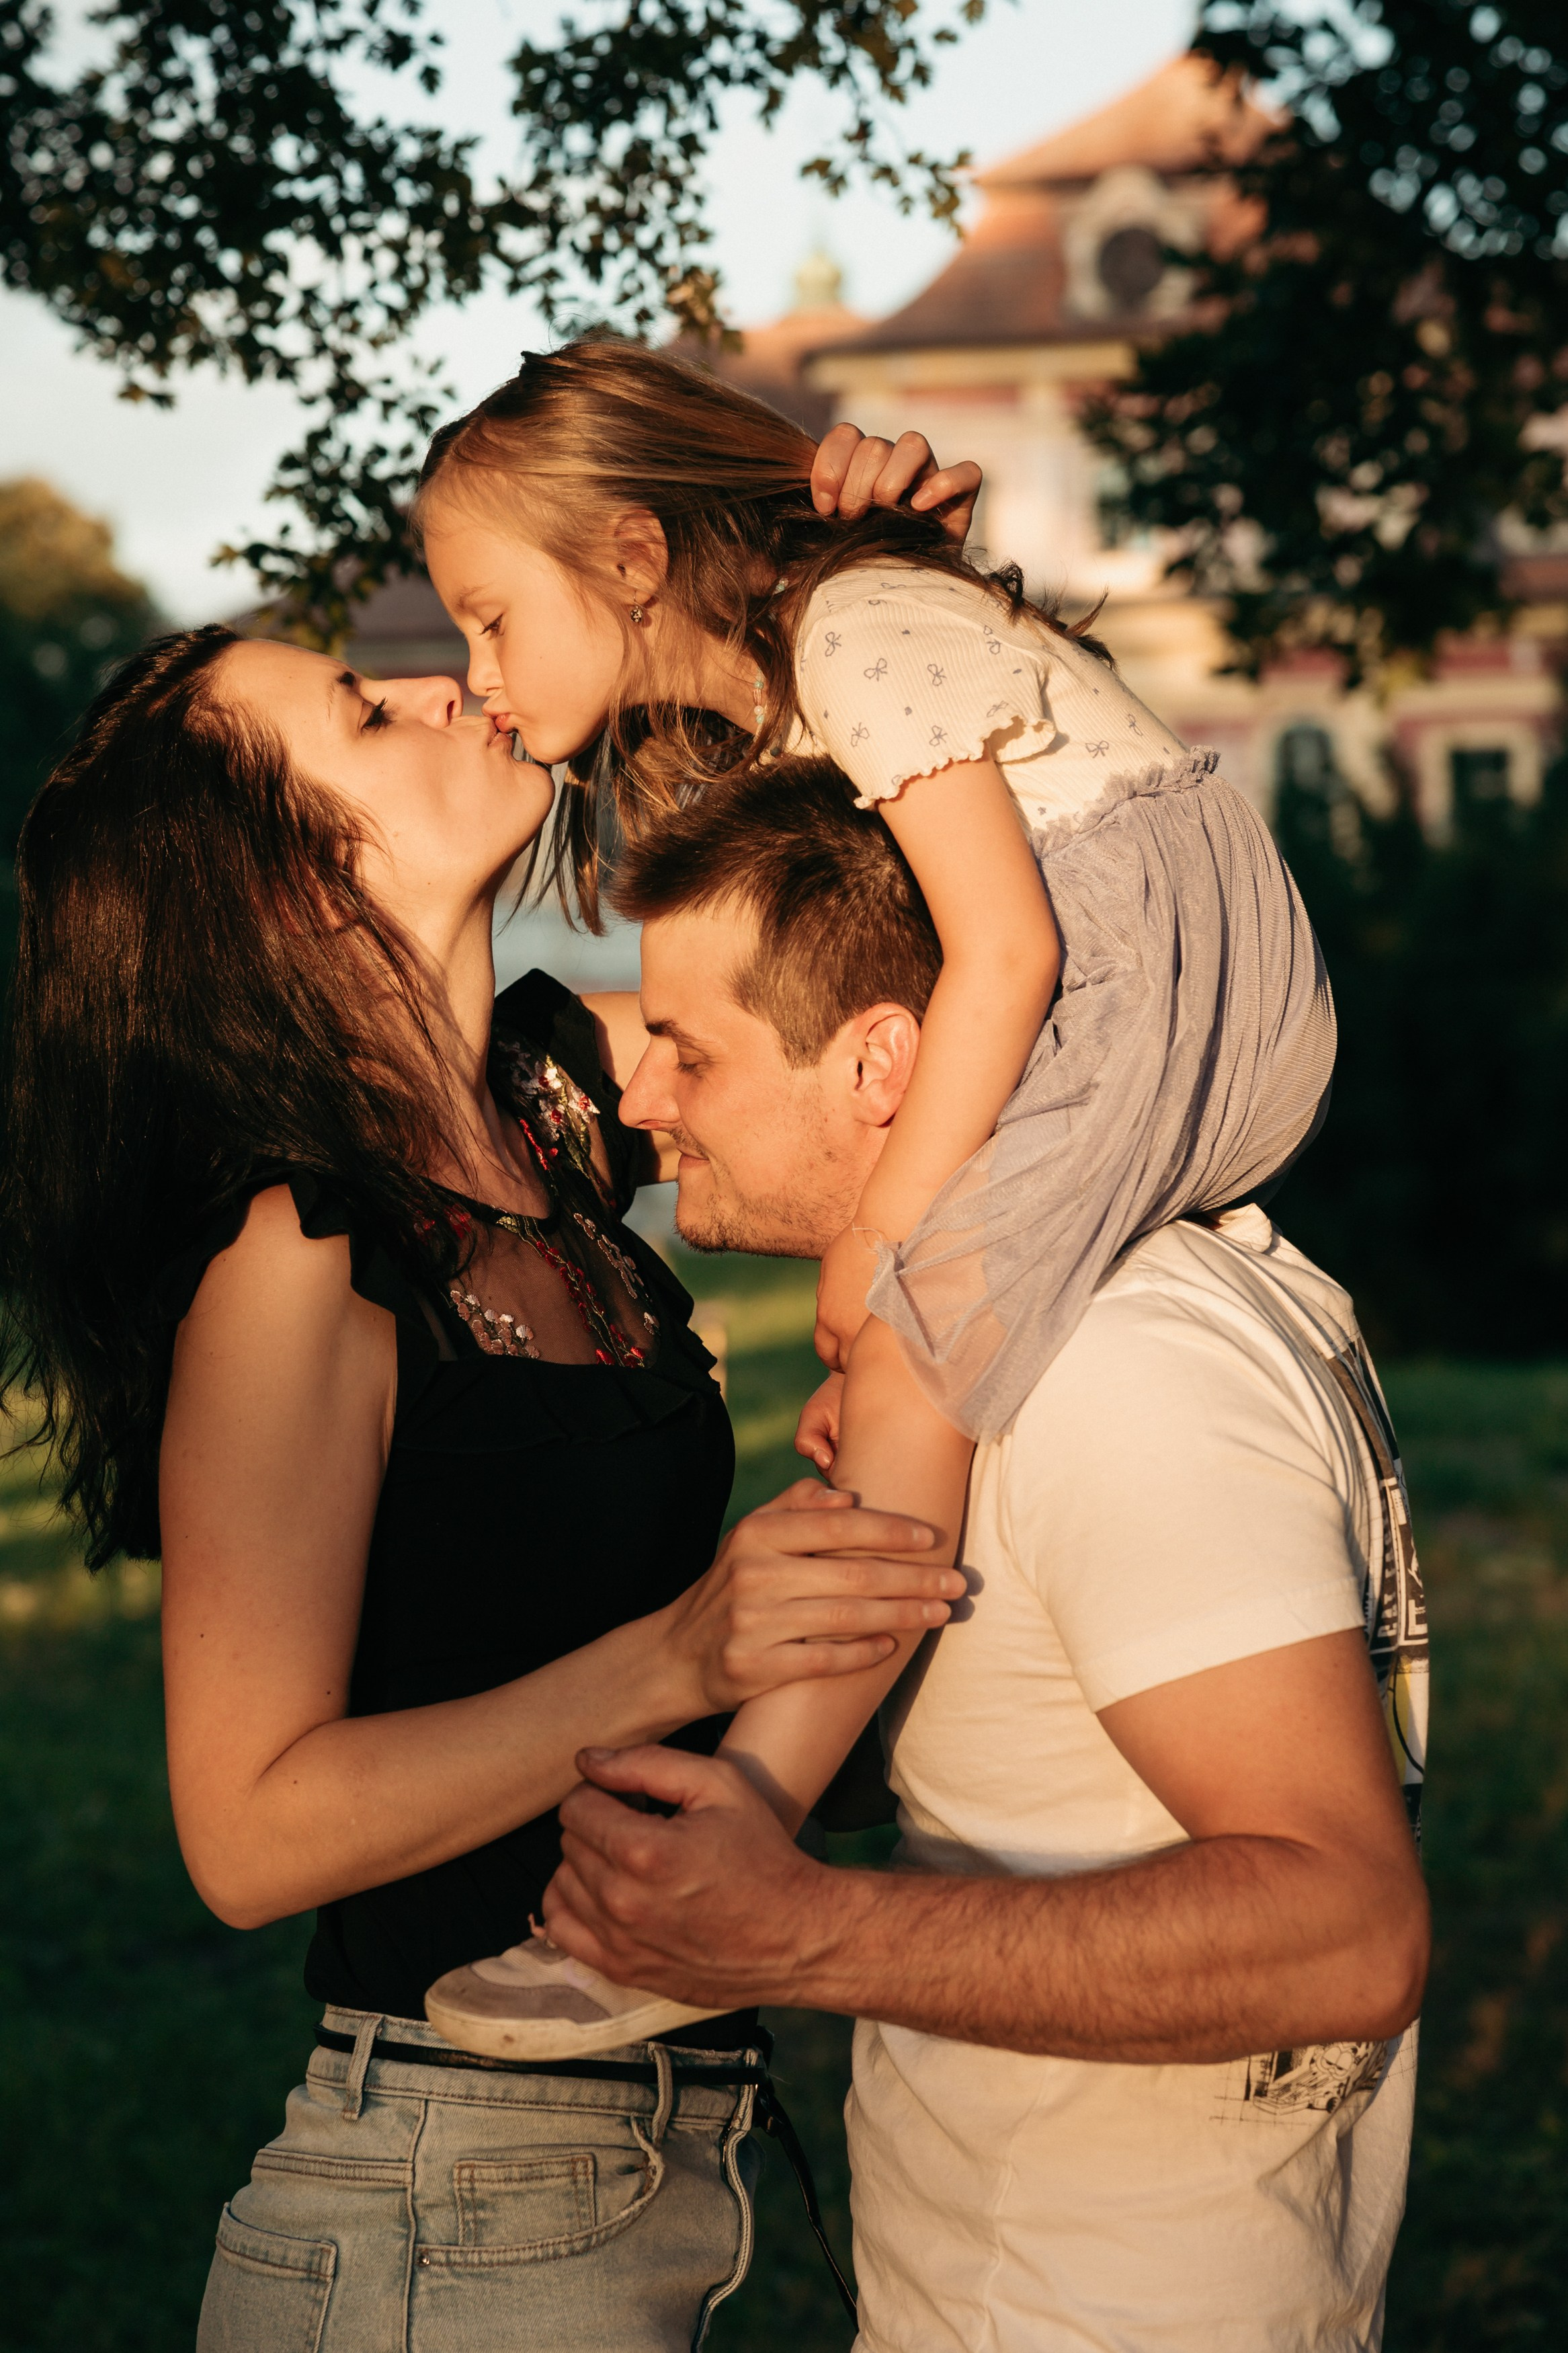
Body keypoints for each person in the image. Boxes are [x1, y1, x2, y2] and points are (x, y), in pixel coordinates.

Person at [0, 621, 968, 2351]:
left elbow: (873, 996)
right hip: (440, 2200)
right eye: (369, 716)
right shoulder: (298, 1257)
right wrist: (687, 1655)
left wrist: (844, 600)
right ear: (298, 890)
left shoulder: (550, 1098)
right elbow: (246, 1829)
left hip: (638, 2161)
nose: (447, 683)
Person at [409, 338, 1338, 2060]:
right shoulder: (802, 668)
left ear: (629, 560)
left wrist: (884, 1250)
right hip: (1137, 968)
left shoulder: (848, 633)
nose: (475, 673)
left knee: (899, 1353)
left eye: (486, 617)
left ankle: (728, 1845)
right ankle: (826, 1753)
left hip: (1151, 972)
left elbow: (1012, 947)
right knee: (905, 1372)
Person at [534, 760, 1432, 2352]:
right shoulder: (1029, 1341)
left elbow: (1344, 1928)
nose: (644, 1098)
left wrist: (791, 1926)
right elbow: (1073, 1756)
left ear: (883, 1059)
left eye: (686, 1045)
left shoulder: (1119, 1359)